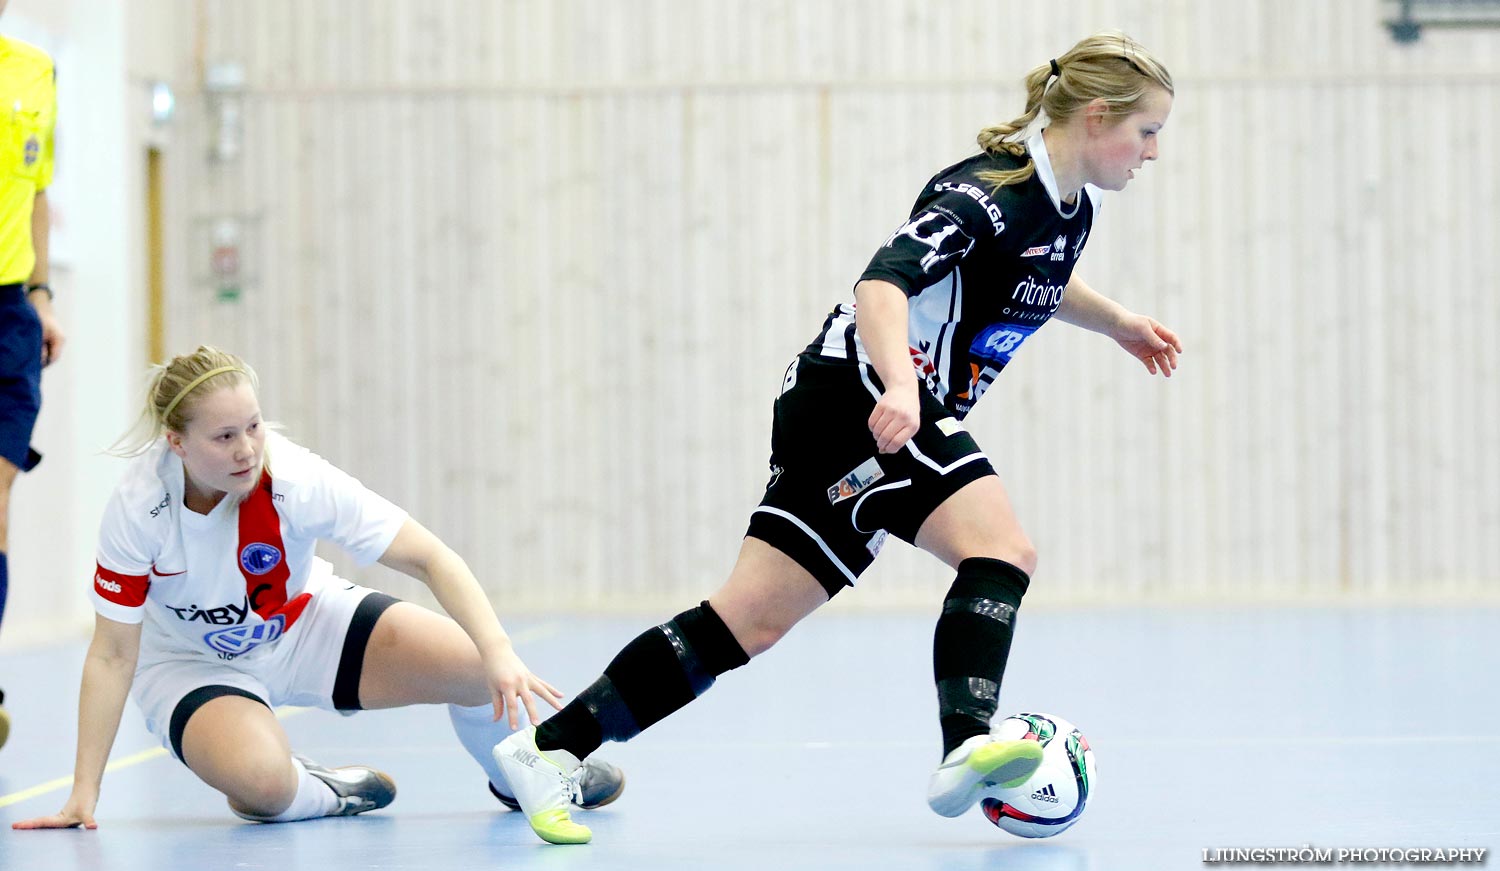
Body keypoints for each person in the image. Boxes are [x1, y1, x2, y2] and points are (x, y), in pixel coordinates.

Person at [494, 30, 1183, 845]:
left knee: (743, 621)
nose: (1152, 154)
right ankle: (967, 744)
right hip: (859, 395)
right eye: (1147, 133)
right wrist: (899, 384)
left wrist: (1118, 323)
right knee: (1003, 550)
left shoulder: (1070, 204)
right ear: (1098, 116)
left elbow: (1038, 275)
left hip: (838, 407)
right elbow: (882, 283)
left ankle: (546, 749)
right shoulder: (989, 191)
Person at [11, 347, 625, 829]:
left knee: (471, 666)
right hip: (191, 663)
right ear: (177, 443)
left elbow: (431, 557)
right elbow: (115, 654)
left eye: (252, 426)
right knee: (262, 785)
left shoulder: (294, 477)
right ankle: (321, 791)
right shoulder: (138, 508)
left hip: (305, 625)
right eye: (224, 437)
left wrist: (498, 652)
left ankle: (519, 771)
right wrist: (82, 794)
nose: (247, 448)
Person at [0, 0, 65, 751]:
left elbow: (37, 191)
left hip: (10, 315)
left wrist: (42, 294)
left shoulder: (36, 69)